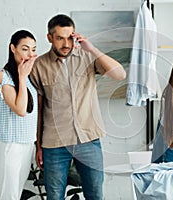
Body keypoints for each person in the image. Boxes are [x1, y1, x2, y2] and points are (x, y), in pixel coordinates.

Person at [30, 14, 126, 200]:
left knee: (95, 194)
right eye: (60, 38)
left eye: (69, 37)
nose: (66, 43)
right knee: (55, 196)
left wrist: (93, 49)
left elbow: (120, 74)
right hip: (54, 144)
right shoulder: (39, 66)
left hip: (88, 140)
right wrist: (38, 145)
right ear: (50, 38)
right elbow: (39, 110)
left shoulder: (87, 58)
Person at [0, 30, 37, 199]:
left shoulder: (28, 77)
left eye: (33, 49)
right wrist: (22, 77)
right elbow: (20, 110)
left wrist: (24, 76)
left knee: (16, 193)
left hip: (27, 143)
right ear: (13, 48)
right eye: (25, 49)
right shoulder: (4, 75)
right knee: (9, 195)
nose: (30, 54)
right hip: (11, 144)